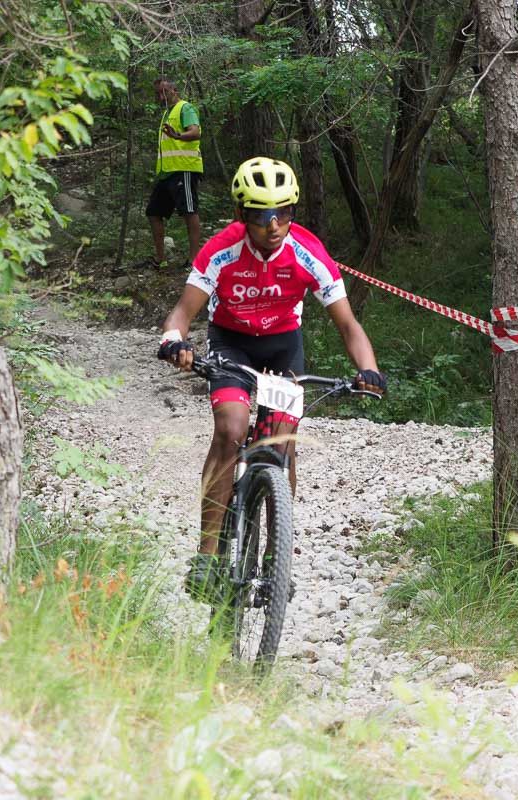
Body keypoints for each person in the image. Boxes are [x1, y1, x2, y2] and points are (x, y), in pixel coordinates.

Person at [156, 157, 386, 600]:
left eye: (284, 212)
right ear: (242, 215)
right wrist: (174, 341)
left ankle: (274, 560)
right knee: (231, 429)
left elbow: (348, 324)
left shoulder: (307, 252)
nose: (274, 224)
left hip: (283, 347)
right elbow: (183, 312)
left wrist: (368, 369)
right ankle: (207, 556)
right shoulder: (221, 249)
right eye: (262, 215)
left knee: (282, 442)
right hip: (232, 344)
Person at [142, 78, 203, 270]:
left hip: (184, 169)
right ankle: (161, 259)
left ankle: (194, 261)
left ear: (174, 90)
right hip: (167, 174)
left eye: (164, 92)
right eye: (158, 93)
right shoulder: (166, 114)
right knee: (153, 212)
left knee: (189, 211)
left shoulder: (185, 108)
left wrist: (177, 135)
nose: (161, 97)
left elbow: (195, 132)